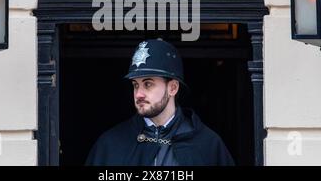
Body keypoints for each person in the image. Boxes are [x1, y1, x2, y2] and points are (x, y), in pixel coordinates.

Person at [85, 39, 235, 166]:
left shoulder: (208, 145)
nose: (139, 94)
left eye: (148, 84)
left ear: (173, 88)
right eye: (135, 85)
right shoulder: (110, 144)